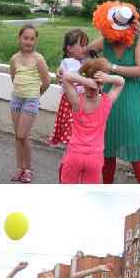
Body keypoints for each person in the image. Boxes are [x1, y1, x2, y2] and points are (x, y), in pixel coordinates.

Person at [87, 1, 140, 184]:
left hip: (133, 100)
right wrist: (94, 64)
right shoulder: (106, 40)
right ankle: (106, 191)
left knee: (136, 153)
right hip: (110, 98)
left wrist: (112, 67)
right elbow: (88, 51)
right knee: (107, 151)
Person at [59, 60, 125, 184]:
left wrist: (85, 81)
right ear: (102, 84)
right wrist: (107, 78)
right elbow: (121, 82)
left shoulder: (77, 101)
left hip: (74, 154)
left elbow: (66, 77)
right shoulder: (106, 102)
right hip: (95, 157)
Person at [9, 24, 51, 183]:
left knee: (23, 135)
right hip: (16, 99)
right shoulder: (14, 58)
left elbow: (47, 81)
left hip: (31, 100)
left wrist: (35, 95)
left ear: (36, 41)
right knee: (17, 137)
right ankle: (19, 168)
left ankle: (28, 169)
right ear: (19, 38)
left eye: (32, 39)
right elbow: (13, 77)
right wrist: (20, 91)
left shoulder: (38, 59)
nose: (29, 41)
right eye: (25, 38)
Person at [46, 28, 89, 146]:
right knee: (72, 131)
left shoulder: (84, 61)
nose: (85, 48)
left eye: (86, 45)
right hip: (71, 102)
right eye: (82, 45)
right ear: (69, 48)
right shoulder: (68, 62)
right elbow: (63, 76)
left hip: (83, 101)